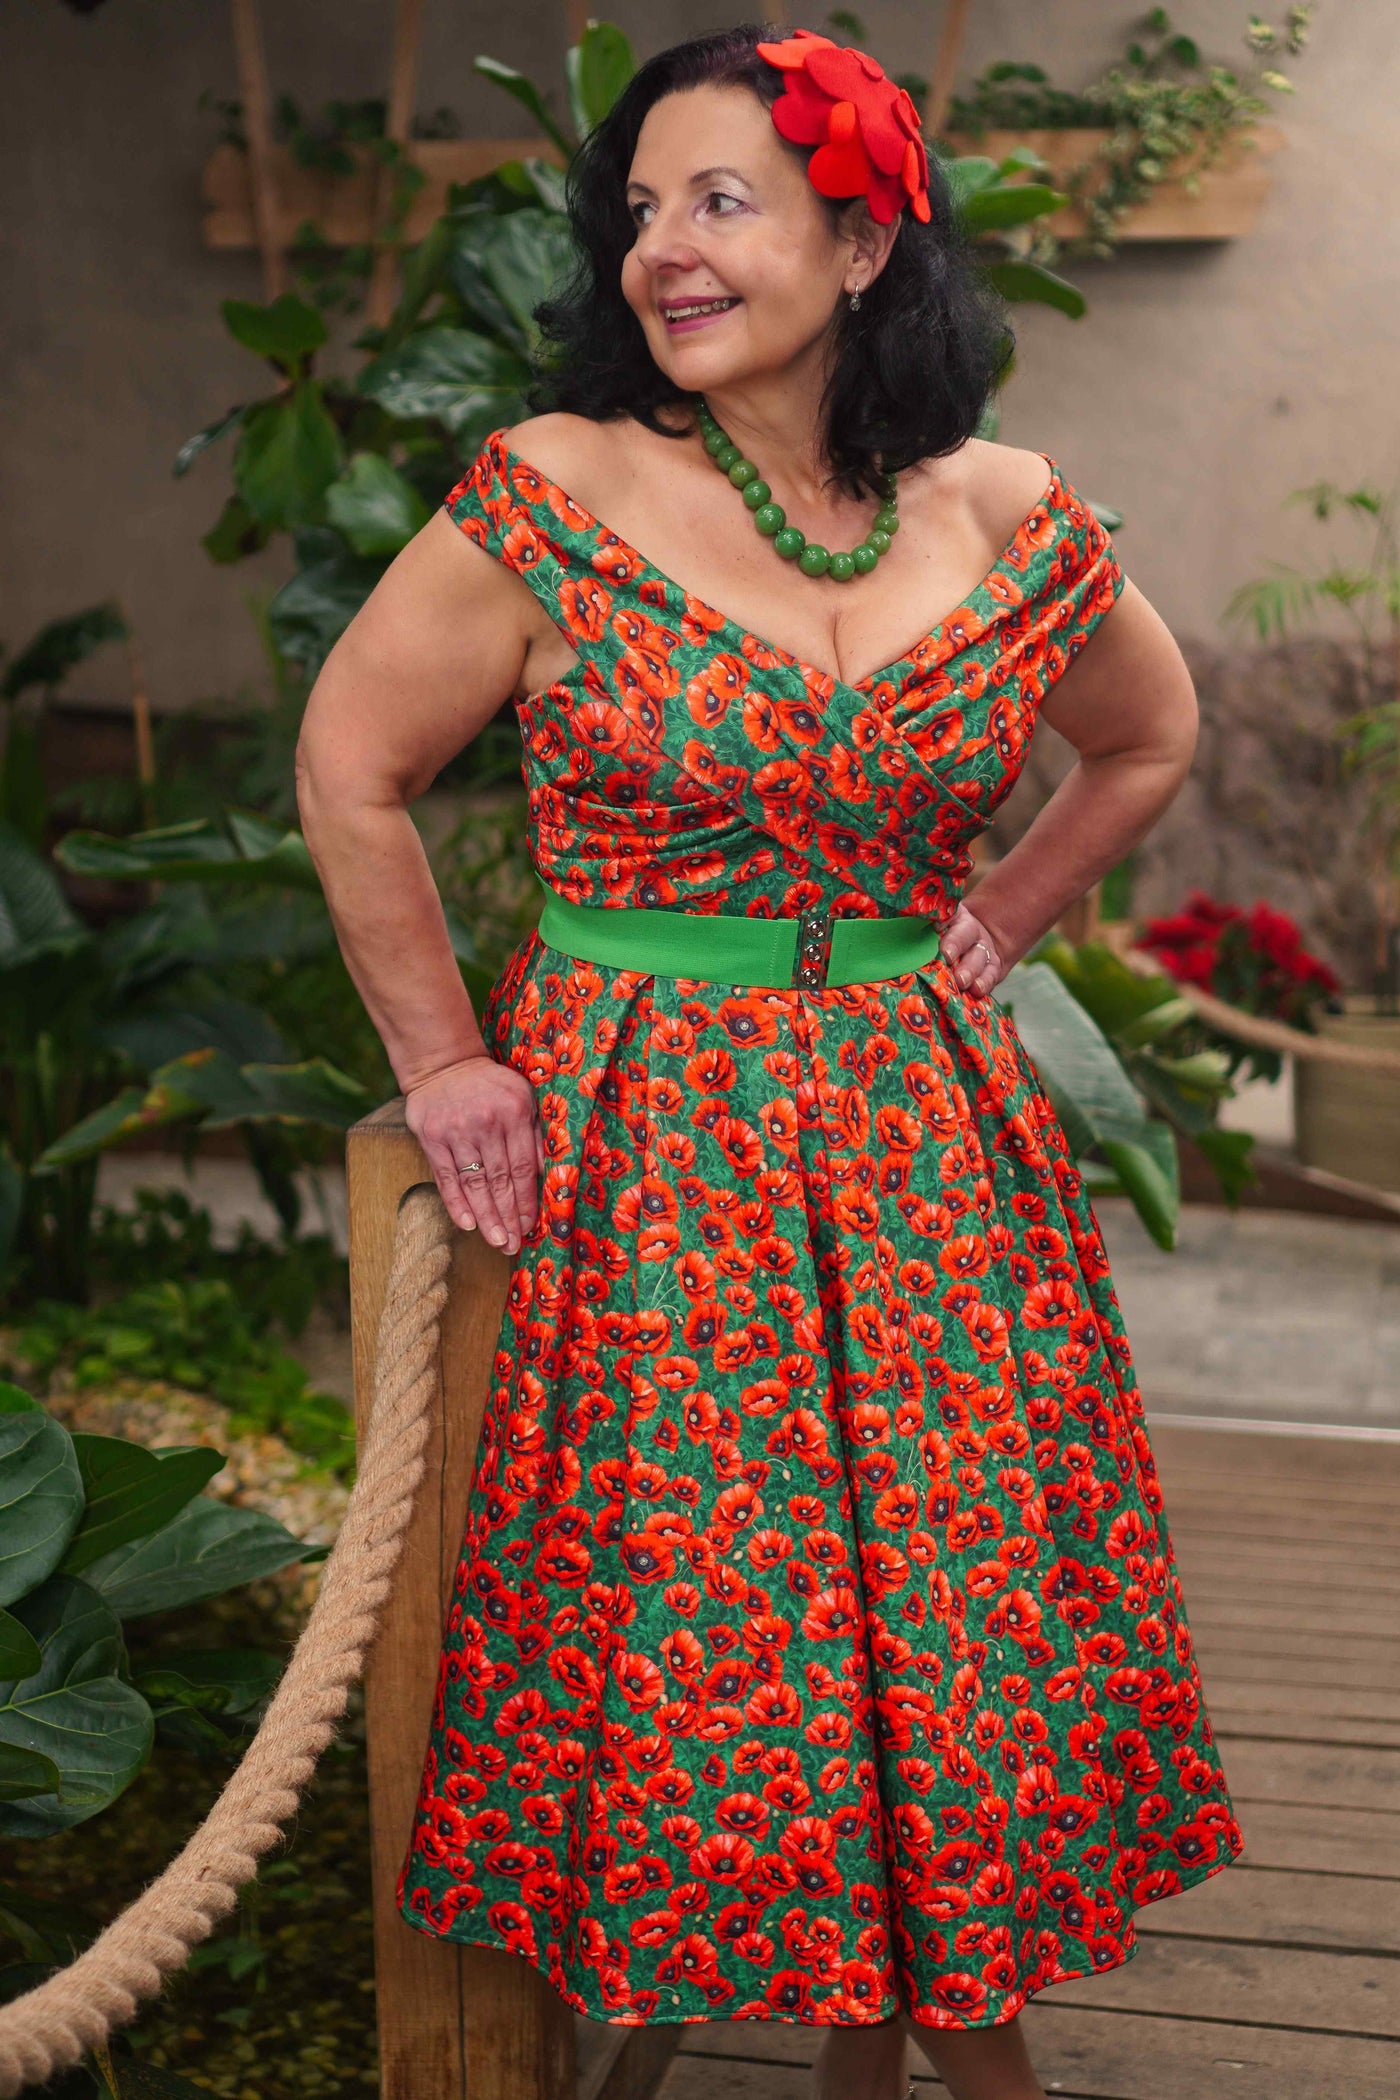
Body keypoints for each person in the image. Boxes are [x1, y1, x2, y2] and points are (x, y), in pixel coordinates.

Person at [297, 24, 1243, 2100]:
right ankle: (906, 2052)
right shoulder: (557, 485)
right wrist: (450, 1064)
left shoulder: (998, 511)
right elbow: (352, 767)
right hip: (659, 1134)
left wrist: (1003, 917)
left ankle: (925, 2041)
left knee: (949, 1603)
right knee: (742, 1626)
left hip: (926, 1140)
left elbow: (1147, 734)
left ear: (866, 236)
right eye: (640, 209)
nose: (661, 249)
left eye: (719, 200)